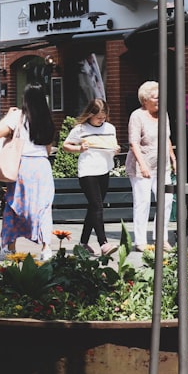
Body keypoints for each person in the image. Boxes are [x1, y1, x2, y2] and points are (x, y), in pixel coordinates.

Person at [0, 83, 57, 258]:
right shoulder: (47, 119)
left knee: (15, 205)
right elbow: (48, 149)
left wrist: (7, 115)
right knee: (43, 207)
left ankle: (10, 246)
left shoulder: (19, 117)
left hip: (23, 165)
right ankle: (46, 248)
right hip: (42, 167)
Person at [61, 98, 120, 257]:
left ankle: (83, 243)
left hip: (105, 169)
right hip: (88, 171)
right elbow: (66, 145)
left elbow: (114, 145)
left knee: (93, 208)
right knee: (97, 206)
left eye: (104, 116)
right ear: (90, 115)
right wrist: (79, 148)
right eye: (98, 117)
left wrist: (116, 149)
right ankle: (103, 243)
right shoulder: (80, 129)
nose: (101, 120)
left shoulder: (110, 128)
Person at [125, 80, 177, 251]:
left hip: (162, 166)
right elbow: (134, 143)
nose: (159, 100)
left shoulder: (164, 114)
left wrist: (173, 157)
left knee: (167, 201)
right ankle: (140, 240)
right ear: (145, 100)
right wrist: (143, 165)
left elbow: (167, 137)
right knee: (143, 202)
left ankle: (161, 238)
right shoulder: (137, 116)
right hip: (142, 167)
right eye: (155, 97)